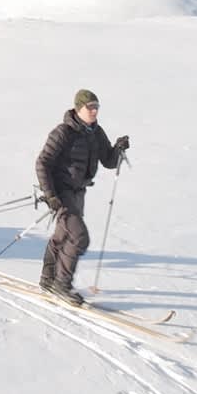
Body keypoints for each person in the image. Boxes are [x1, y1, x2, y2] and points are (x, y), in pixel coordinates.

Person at [34, 88, 130, 303]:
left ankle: (48, 278)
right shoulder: (63, 132)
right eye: (90, 107)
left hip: (79, 193)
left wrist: (118, 148)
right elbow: (43, 163)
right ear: (79, 108)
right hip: (61, 193)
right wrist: (50, 195)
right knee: (79, 238)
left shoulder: (96, 132)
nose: (95, 111)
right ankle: (61, 285)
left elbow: (108, 161)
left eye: (97, 107)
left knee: (62, 236)